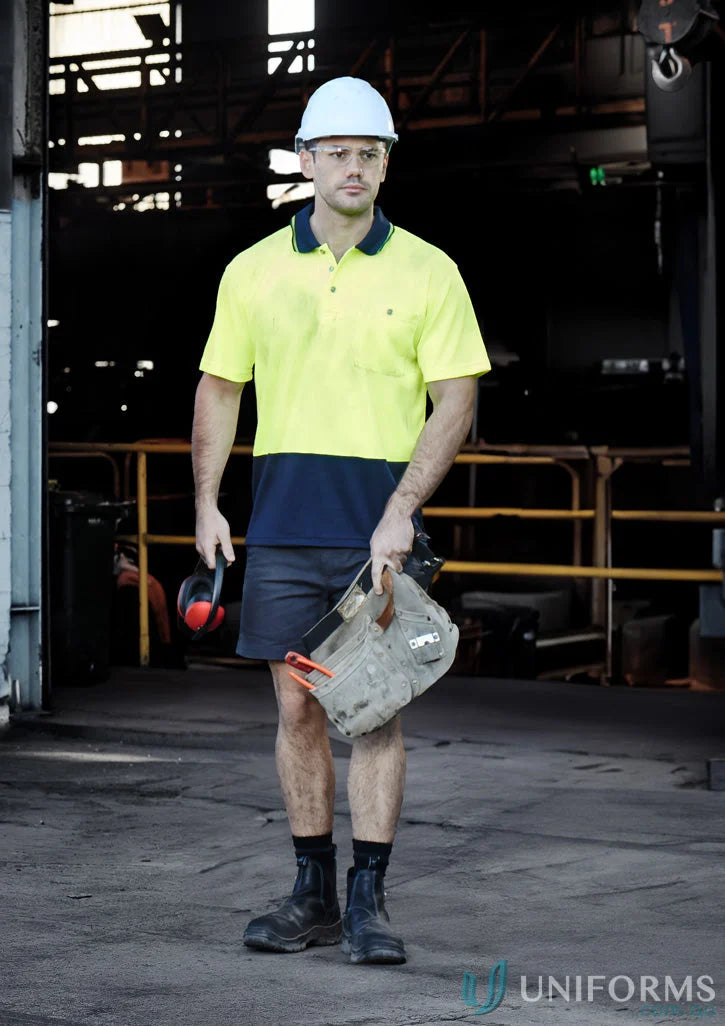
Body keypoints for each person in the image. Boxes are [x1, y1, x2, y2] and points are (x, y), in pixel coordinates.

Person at [192, 76, 490, 965]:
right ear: (307, 161)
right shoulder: (251, 270)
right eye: (336, 153)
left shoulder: (429, 269)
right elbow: (219, 386)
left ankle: (369, 902)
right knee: (295, 709)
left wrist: (404, 509)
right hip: (282, 529)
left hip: (378, 536)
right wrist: (208, 502)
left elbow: (455, 398)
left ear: (385, 164)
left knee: (373, 712)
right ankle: (311, 893)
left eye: (368, 153)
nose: (352, 167)